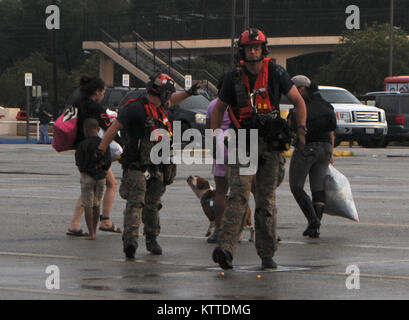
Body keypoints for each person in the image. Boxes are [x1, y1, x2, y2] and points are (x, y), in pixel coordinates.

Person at [210, 28, 307, 270]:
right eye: (248, 48)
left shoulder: (276, 72)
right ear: (242, 50)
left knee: (265, 200)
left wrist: (302, 130)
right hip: (242, 140)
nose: (253, 51)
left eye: (256, 47)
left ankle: (266, 253)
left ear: (264, 49)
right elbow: (219, 108)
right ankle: (227, 249)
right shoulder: (233, 78)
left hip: (270, 144)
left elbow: (298, 101)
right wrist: (216, 137)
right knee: (238, 196)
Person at [98, 72, 201, 259]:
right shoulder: (136, 108)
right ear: (161, 93)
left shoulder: (161, 107)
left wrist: (189, 92)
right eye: (167, 93)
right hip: (137, 165)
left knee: (153, 205)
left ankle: (151, 238)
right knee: (135, 204)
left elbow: (174, 99)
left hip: (158, 167)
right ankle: (131, 241)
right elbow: (114, 128)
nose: (169, 97)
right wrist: (100, 151)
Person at [66, 75, 121, 237]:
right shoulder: (97, 108)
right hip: (96, 151)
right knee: (103, 185)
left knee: (94, 184)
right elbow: (110, 128)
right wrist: (122, 143)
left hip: (81, 150)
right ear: (97, 92)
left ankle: (77, 224)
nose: (103, 94)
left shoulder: (75, 104)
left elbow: (69, 123)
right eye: (103, 91)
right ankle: (103, 221)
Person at [288, 75, 337, 238]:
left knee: (296, 186)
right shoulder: (325, 104)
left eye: (293, 89)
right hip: (326, 148)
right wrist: (331, 153)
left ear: (301, 89)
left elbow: (293, 127)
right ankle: (315, 227)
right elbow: (331, 130)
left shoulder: (301, 106)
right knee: (318, 188)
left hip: (308, 148)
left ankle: (313, 220)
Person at [75, 118, 111, 240]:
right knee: (96, 204)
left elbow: (78, 161)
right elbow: (108, 161)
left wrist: (86, 171)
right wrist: (102, 171)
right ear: (98, 129)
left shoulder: (82, 145)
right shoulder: (103, 143)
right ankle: (95, 230)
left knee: (87, 204)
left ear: (85, 130)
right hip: (100, 177)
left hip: (87, 177)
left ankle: (91, 232)